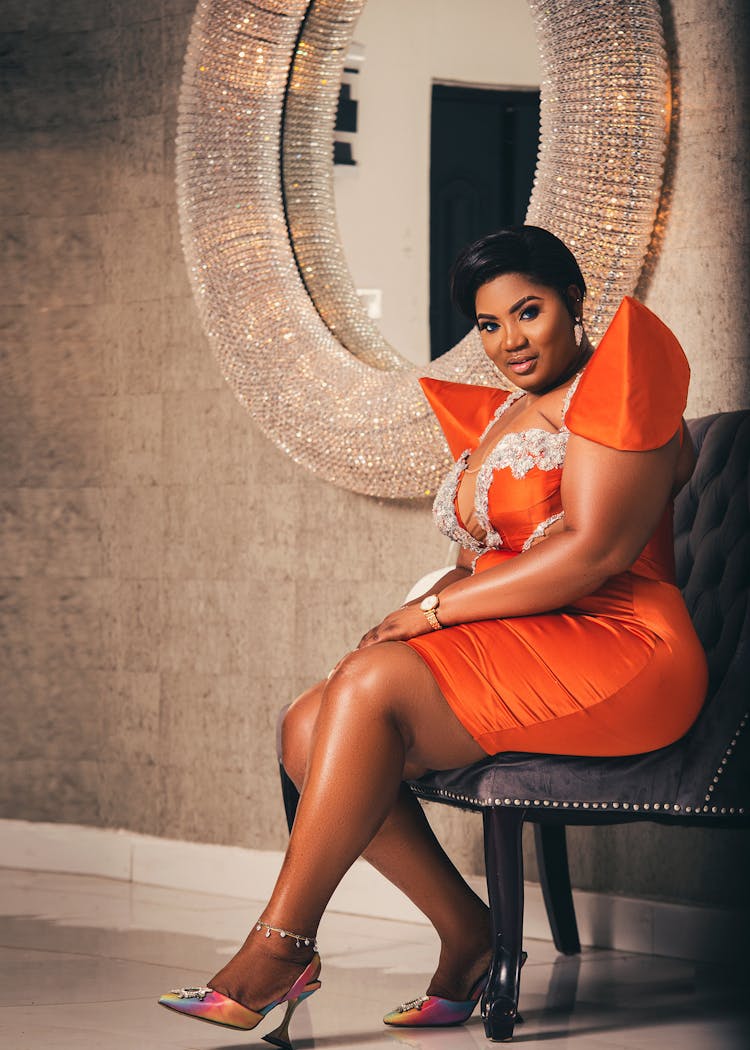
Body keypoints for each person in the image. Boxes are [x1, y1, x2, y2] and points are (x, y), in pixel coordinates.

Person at [158, 226, 708, 1046]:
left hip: (623, 646)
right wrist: (419, 609)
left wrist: (435, 617)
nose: (511, 341)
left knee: (373, 688)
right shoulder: (507, 418)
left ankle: (280, 948)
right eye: (489, 325)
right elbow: (479, 559)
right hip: (530, 633)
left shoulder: (620, 384)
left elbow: (596, 551)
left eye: (530, 312)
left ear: (574, 303)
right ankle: (469, 935)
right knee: (308, 727)